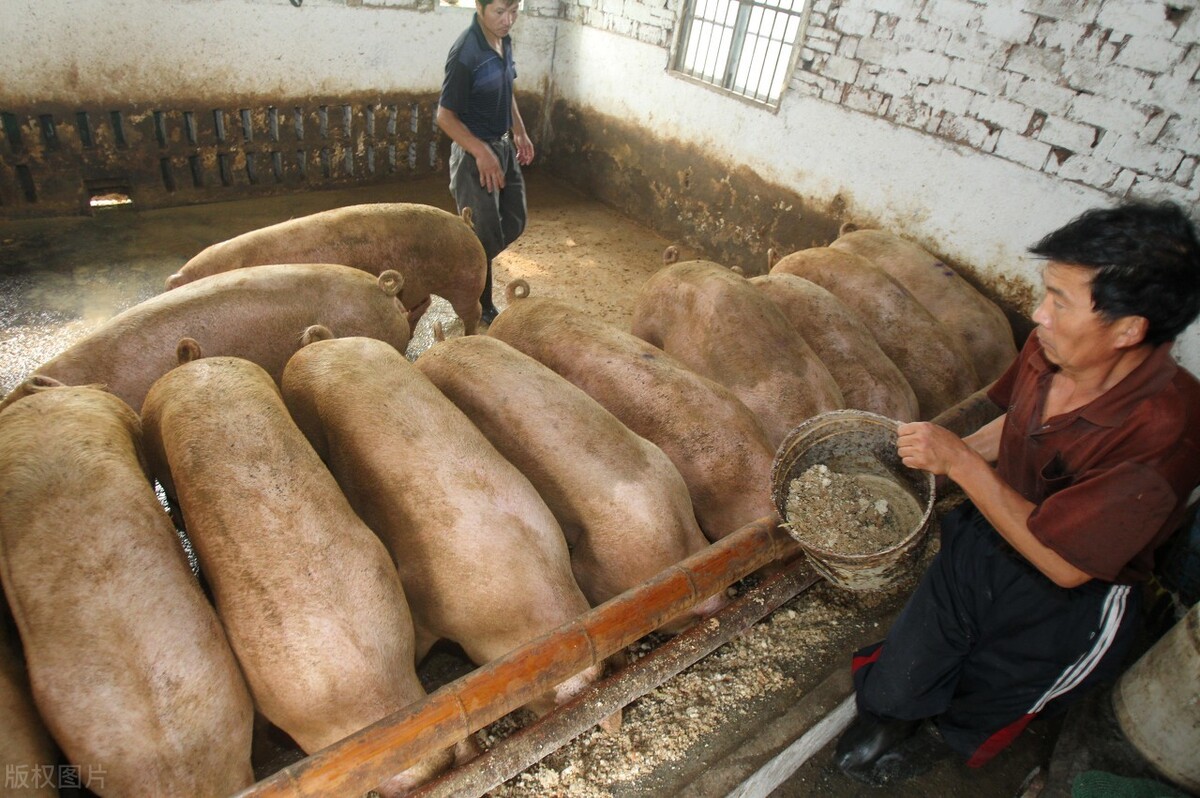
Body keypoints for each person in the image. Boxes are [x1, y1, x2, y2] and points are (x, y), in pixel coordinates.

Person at [833, 200, 1200, 785]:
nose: (1038, 314)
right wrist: (949, 461)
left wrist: (957, 460)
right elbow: (1019, 421)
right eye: (1045, 292)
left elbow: (1065, 566)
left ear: (1129, 329)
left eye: (1059, 300)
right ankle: (890, 714)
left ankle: (941, 739)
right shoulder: (1052, 348)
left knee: (995, 690)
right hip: (989, 533)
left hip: (1063, 604)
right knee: (911, 655)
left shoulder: (1164, 437)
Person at [437, 0, 534, 325]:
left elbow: (508, 86)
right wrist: (479, 151)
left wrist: (518, 130)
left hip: (503, 147)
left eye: (514, 11)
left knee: (515, 220)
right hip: (473, 156)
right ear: (479, 7)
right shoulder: (465, 53)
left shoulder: (502, 38)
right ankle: (481, 304)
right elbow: (445, 116)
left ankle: (462, 266)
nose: (508, 21)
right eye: (499, 12)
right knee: (484, 235)